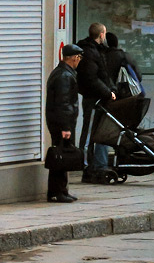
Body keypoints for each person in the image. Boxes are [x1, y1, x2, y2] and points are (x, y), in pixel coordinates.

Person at [77, 23, 117, 183]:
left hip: (98, 97)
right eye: (104, 34)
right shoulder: (90, 52)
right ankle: (86, 166)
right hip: (94, 98)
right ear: (101, 35)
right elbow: (92, 78)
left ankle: (93, 165)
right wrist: (108, 92)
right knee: (88, 133)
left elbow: (101, 75)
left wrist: (110, 90)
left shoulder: (94, 50)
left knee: (96, 132)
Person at [45, 44, 82, 203]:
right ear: (74, 58)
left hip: (59, 121)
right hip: (61, 123)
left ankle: (61, 190)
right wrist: (65, 127)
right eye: (79, 57)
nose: (79, 60)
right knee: (60, 157)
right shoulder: (64, 76)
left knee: (63, 156)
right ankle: (56, 192)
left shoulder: (63, 73)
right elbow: (63, 103)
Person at [105, 31, 141, 98]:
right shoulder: (125, 56)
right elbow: (138, 76)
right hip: (125, 93)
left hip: (106, 93)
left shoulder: (100, 57)